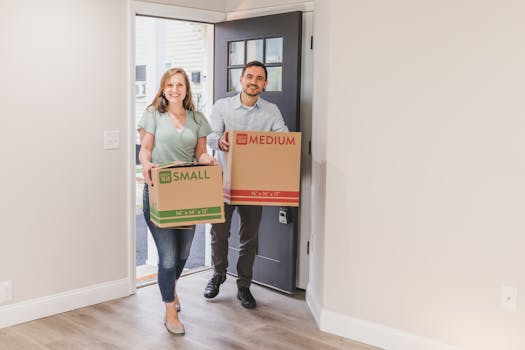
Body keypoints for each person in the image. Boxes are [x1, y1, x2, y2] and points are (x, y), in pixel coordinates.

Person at [204, 61, 289, 309]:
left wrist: (274, 143)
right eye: (249, 76)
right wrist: (220, 141)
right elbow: (209, 135)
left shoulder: (271, 111)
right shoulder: (222, 106)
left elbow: (284, 138)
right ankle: (218, 274)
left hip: (254, 183)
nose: (254, 81)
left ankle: (244, 285)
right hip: (223, 180)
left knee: (249, 237)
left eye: (259, 78)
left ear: (265, 83)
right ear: (241, 79)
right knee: (219, 232)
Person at [138, 68, 216, 335]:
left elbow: (201, 154)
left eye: (179, 85)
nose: (174, 89)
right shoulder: (153, 115)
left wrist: (209, 161)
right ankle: (170, 309)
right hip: (159, 191)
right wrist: (146, 163)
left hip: (188, 191)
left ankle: (170, 287)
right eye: (169, 85)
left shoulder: (197, 118)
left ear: (186, 89)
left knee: (183, 255)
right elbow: (145, 148)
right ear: (163, 88)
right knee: (168, 256)